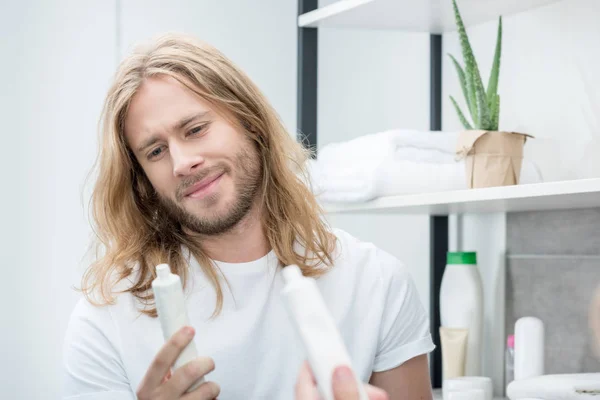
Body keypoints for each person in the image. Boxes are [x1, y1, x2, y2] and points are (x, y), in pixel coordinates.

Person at [62, 32, 435, 400]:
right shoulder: (104, 322)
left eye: (195, 129)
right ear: (142, 179)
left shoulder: (376, 283)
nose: (181, 162)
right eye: (156, 151)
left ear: (250, 121)